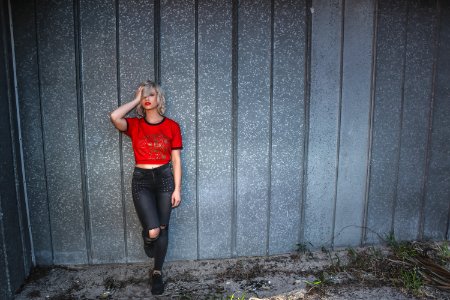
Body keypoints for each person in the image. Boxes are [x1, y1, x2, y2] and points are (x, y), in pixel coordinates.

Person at [109, 80, 182, 295]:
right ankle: (148, 235)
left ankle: (157, 272)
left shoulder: (172, 126)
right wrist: (135, 99)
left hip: (164, 178)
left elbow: (176, 160)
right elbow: (115, 117)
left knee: (163, 227)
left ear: (159, 99)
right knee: (153, 230)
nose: (147, 99)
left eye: (151, 95)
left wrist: (177, 188)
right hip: (141, 180)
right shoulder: (135, 125)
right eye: (144, 96)